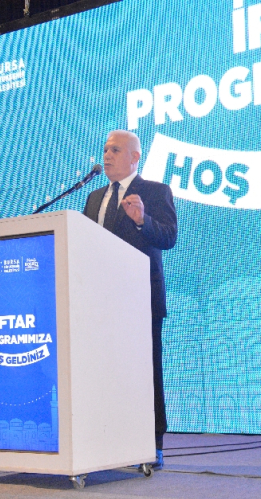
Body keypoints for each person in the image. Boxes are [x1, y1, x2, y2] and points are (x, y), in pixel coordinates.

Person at [83, 130, 177, 470]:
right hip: (100, 301)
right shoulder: (94, 198)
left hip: (141, 298)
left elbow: (169, 237)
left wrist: (142, 221)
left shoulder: (155, 191)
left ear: (135, 157)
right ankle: (109, 440)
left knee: (146, 372)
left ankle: (153, 443)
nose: (107, 155)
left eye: (115, 149)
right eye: (105, 149)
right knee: (105, 372)